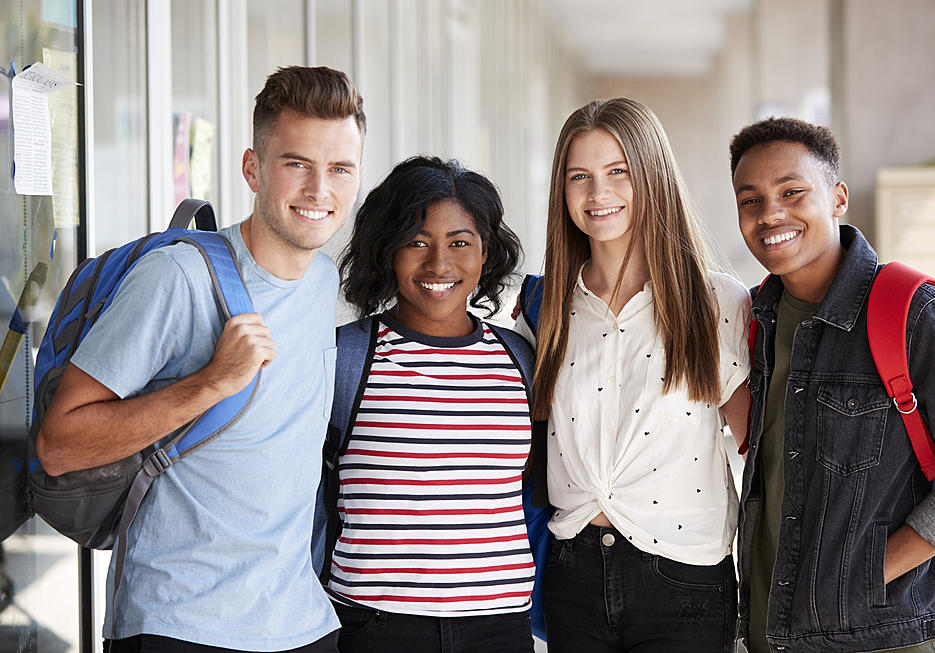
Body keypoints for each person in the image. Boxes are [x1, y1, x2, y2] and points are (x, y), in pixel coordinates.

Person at [35, 65, 365, 652]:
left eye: (339, 168)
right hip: (180, 623)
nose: (320, 190)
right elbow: (59, 445)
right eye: (297, 164)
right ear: (252, 169)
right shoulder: (178, 277)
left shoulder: (322, 280)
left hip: (299, 622)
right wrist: (211, 383)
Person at [729, 116, 935, 652]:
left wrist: (875, 569)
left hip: (882, 635)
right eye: (750, 200)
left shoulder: (912, 311)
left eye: (792, 191)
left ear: (838, 197)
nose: (770, 213)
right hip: (771, 630)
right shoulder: (756, 316)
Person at [514, 97, 752, 652]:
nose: (599, 193)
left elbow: (756, 448)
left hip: (682, 575)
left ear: (651, 175)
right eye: (580, 176)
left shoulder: (713, 299)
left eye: (618, 172)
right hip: (572, 571)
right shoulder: (545, 307)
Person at [321, 156, 535, 653]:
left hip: (498, 627)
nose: (439, 264)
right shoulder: (346, 357)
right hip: (375, 626)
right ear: (387, 251)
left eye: (459, 243)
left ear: (486, 253)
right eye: (417, 242)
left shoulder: (518, 359)